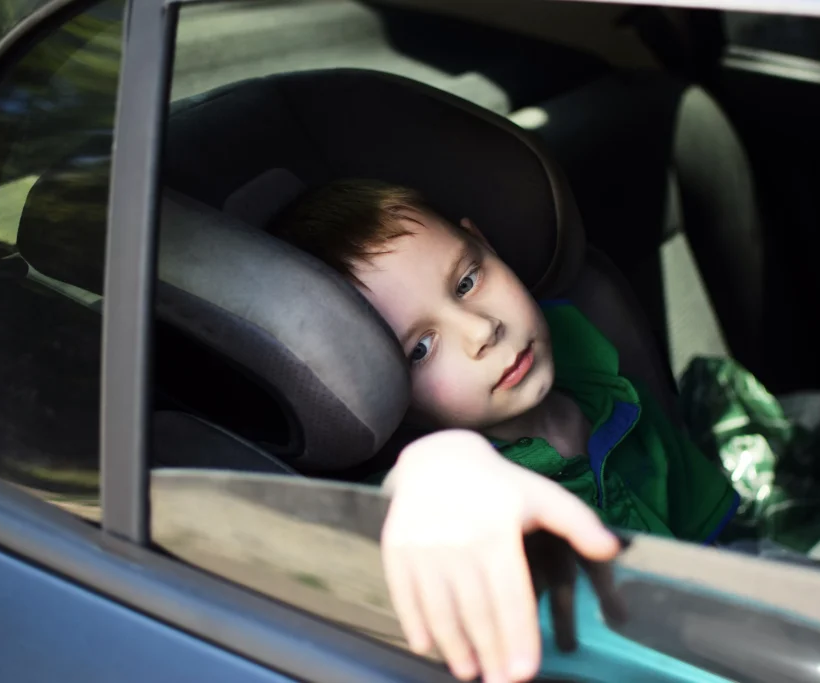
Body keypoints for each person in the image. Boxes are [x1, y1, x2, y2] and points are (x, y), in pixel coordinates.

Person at [272, 179, 738, 683]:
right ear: (378, 390)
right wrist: (431, 467)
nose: (480, 330)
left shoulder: (597, 371)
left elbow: (707, 538)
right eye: (420, 350)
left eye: (467, 282)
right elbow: (412, 508)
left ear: (486, 245)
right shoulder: (453, 496)